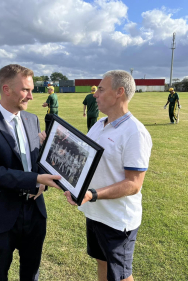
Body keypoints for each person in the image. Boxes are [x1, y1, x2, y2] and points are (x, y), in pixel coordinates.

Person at [0, 64, 61, 281]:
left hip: (34, 211)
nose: (31, 96)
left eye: (31, 90)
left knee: (31, 272)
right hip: (1, 212)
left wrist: (43, 179)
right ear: (6, 89)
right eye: (25, 90)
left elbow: (34, 161)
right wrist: (36, 179)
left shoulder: (31, 119)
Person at [63, 70, 152, 281]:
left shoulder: (134, 132)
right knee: (102, 263)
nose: (95, 94)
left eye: (101, 89)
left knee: (121, 275)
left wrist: (91, 194)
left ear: (119, 92)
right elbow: (82, 157)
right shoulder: (98, 124)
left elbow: (133, 184)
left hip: (117, 219)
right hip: (96, 213)